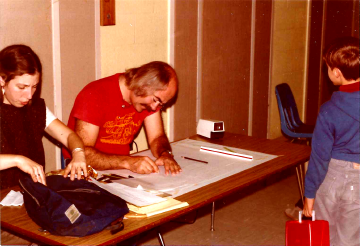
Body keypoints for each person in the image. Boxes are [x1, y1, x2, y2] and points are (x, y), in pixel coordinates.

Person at [63, 61, 182, 175]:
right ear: (143, 84)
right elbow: (84, 154)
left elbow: (157, 137)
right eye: (156, 100)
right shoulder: (94, 95)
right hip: (84, 168)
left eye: (161, 105)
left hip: (120, 168)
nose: (154, 107)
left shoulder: (149, 102)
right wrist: (127, 162)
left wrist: (165, 154)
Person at [0, 44, 88, 189]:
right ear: (2, 81)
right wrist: (18, 160)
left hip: (28, 193)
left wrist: (78, 153)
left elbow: (68, 136)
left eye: (34, 87)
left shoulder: (34, 107)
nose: (29, 96)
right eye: (21, 87)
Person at [303, 37, 359, 245]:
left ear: (336, 72)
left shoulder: (329, 110)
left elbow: (319, 158)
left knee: (323, 235)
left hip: (332, 177)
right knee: (351, 239)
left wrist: (309, 194)